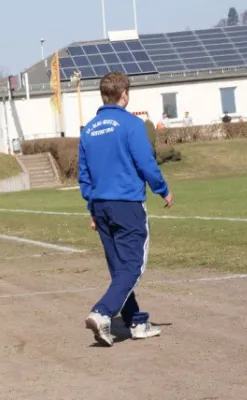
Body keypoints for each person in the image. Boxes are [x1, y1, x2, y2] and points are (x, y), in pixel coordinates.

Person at [78, 72, 174, 347]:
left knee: (119, 267)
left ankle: (136, 321)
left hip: (100, 205)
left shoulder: (88, 130)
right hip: (127, 204)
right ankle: (102, 312)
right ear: (124, 95)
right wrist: (162, 189)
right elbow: (145, 162)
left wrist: (92, 208)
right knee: (133, 266)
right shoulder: (131, 124)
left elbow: (84, 175)